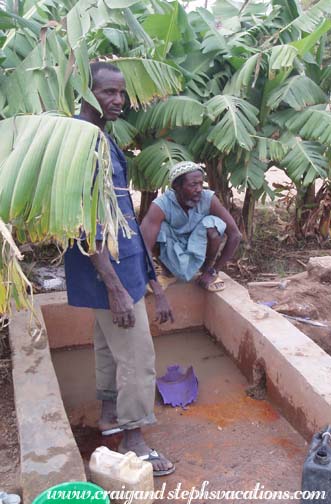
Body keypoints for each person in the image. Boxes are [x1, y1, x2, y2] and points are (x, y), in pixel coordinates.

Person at [64, 61, 175, 476]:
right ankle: (135, 439)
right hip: (107, 267)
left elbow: (116, 210)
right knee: (137, 354)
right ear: (87, 92)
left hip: (115, 262)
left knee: (107, 344)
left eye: (121, 93)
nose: (119, 100)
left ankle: (109, 415)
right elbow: (83, 218)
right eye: (108, 92)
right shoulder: (85, 142)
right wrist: (113, 285)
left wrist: (144, 278)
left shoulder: (96, 136)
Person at [141, 161, 242, 291]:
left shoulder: (208, 198)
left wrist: (214, 271)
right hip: (173, 247)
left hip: (200, 245)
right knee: (155, 231)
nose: (199, 189)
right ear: (177, 187)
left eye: (201, 183)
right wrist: (151, 280)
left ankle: (206, 270)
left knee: (213, 226)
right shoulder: (161, 205)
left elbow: (235, 234)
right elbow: (145, 246)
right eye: (193, 185)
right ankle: (168, 273)